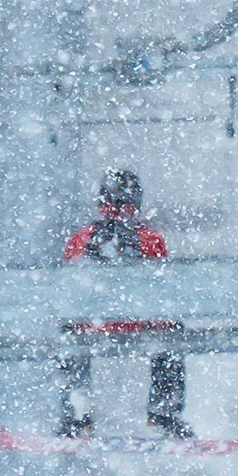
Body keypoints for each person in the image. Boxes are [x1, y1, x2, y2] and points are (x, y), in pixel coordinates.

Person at [61, 169, 191, 439]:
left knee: (68, 338)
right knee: (172, 337)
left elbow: (68, 291)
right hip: (140, 325)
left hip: (92, 327)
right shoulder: (150, 240)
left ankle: (77, 417)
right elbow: (161, 290)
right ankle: (164, 414)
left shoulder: (80, 239)